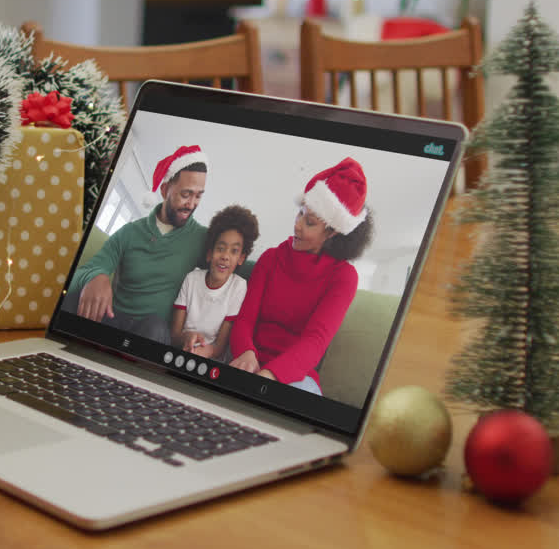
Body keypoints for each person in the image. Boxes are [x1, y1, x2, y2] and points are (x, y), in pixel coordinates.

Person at [228, 158, 374, 395]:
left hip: (293, 375)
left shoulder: (344, 276)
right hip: (247, 360)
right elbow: (244, 319)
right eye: (300, 214)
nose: (297, 226)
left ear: (332, 233)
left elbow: (315, 341)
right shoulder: (271, 258)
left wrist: (270, 375)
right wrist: (245, 352)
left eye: (310, 223)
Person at [67, 145, 209, 345]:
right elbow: (83, 272)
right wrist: (96, 276)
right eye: (186, 194)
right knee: (72, 299)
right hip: (112, 320)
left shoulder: (202, 238)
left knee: (155, 327)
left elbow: (236, 259)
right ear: (165, 189)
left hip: (150, 333)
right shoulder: (130, 232)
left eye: (199, 195)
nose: (192, 204)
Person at [170, 205, 260, 362]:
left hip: (211, 360)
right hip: (182, 352)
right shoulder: (192, 279)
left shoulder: (238, 287)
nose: (225, 256)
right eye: (221, 248)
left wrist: (204, 351)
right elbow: (175, 335)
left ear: (241, 259)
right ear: (210, 253)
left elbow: (219, 347)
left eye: (234, 251)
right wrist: (187, 337)